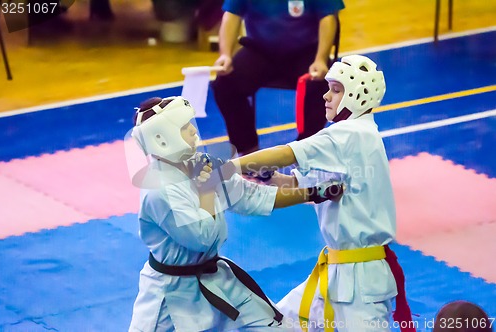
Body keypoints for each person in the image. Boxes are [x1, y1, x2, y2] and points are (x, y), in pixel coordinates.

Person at [127, 96, 343, 332]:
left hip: (216, 278)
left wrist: (311, 193)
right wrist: (207, 192)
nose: (193, 132)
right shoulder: (158, 191)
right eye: (184, 127)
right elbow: (202, 238)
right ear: (162, 138)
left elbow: (249, 195)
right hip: (172, 297)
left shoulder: (199, 163)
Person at [232, 55, 415, 331]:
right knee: (275, 325)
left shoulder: (350, 134)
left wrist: (226, 168)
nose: (326, 96)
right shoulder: (347, 139)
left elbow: (285, 153)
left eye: (337, 90)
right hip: (338, 271)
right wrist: (267, 176)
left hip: (362, 280)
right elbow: (296, 185)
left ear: (357, 95)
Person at [212, 0, 345, 156]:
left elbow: (328, 17)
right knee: (225, 84)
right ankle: (249, 151)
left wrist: (321, 59)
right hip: (260, 51)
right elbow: (232, 14)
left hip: (305, 52)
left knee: (320, 84)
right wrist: (225, 54)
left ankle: (305, 150)